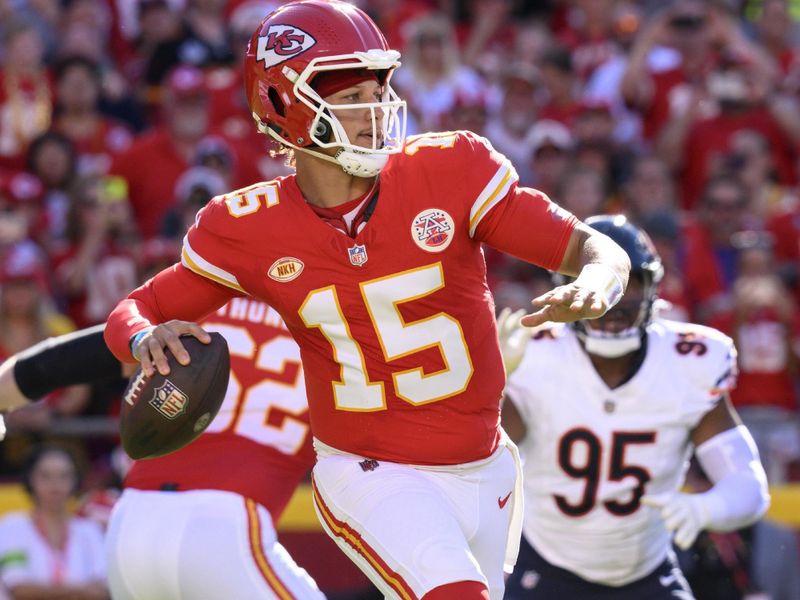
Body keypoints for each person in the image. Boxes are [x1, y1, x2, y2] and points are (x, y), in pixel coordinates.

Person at [103, 2, 631, 599]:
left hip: (485, 468)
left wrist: (601, 280)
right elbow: (133, 311)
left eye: (378, 87)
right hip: (370, 471)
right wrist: (146, 337)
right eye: (351, 94)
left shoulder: (450, 169)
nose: (375, 110)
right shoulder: (246, 227)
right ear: (284, 105)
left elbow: (590, 246)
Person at [497, 215, 770, 599]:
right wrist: (492, 386)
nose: (612, 303)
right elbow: (484, 452)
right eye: (602, 287)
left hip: (647, 568)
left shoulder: (689, 361)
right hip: (547, 564)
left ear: (652, 289)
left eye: (627, 286)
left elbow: (749, 485)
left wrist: (705, 510)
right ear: (565, 290)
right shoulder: (533, 354)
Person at [0, 301, 325, 599]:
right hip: (225, 526)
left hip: (133, 525)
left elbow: (61, 362)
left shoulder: (192, 304)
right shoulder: (333, 331)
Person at [0, 444, 109, 599]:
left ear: (75, 481)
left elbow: (102, 590)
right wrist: (80, 591)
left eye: (64, 476)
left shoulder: (89, 530)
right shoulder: (12, 526)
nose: (55, 484)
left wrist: (49, 591)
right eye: (45, 476)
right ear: (30, 479)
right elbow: (19, 589)